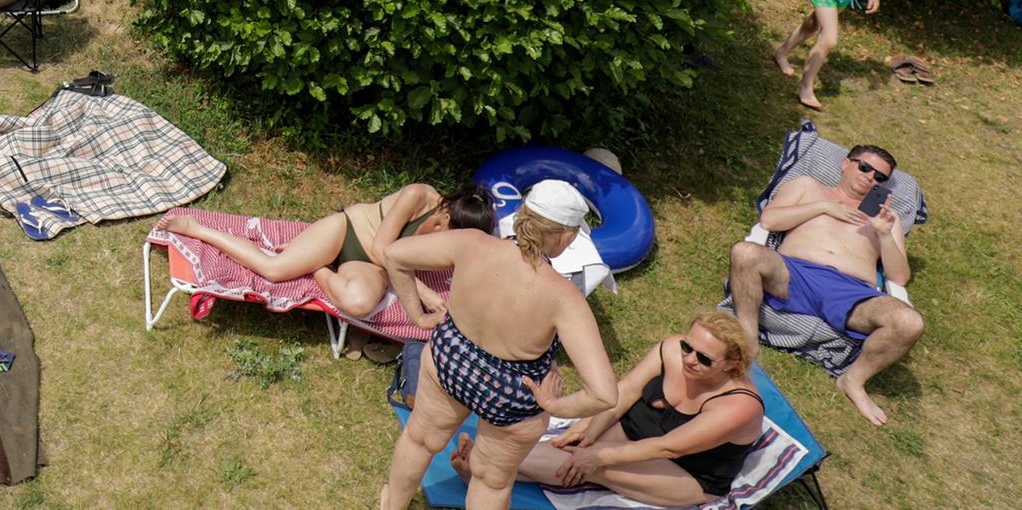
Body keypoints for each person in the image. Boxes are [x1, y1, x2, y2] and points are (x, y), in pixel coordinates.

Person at [380, 181, 619, 510]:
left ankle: (392, 505)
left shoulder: (472, 244)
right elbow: (604, 393)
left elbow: (394, 255)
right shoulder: (565, 298)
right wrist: (555, 405)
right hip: (512, 392)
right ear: (564, 235)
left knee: (420, 440)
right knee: (491, 481)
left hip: (453, 357)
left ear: (522, 214)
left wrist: (418, 317)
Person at [465, 312, 760, 507]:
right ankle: (488, 467)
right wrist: (588, 432)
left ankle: (486, 466)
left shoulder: (738, 406)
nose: (690, 359)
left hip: (688, 471)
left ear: (732, 364)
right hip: (636, 431)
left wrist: (598, 455)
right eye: (687, 346)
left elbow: (669, 448)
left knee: (596, 467)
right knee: (575, 450)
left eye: (705, 359)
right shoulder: (671, 350)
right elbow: (627, 390)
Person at [728, 143, 919, 426]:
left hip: (851, 293)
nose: (870, 178)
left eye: (880, 177)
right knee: (744, 253)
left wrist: (883, 234)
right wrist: (825, 207)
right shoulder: (808, 186)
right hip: (794, 274)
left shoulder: (885, 220)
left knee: (910, 322)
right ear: (845, 164)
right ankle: (749, 342)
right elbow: (770, 219)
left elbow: (899, 277)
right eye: (864, 167)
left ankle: (852, 380)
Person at [154, 183, 496, 319]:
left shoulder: (455, 236)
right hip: (348, 233)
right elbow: (382, 247)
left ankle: (318, 268)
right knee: (274, 270)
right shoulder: (419, 196)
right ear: (448, 216)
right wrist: (420, 290)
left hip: (374, 264)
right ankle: (197, 229)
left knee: (360, 304)